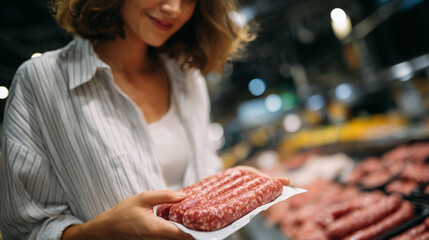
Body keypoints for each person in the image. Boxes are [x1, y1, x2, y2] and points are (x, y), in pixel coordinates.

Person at [0, 0, 288, 239]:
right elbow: (24, 229)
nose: (173, 8)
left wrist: (233, 183)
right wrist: (98, 232)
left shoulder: (187, 78)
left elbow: (201, 178)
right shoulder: (41, 82)